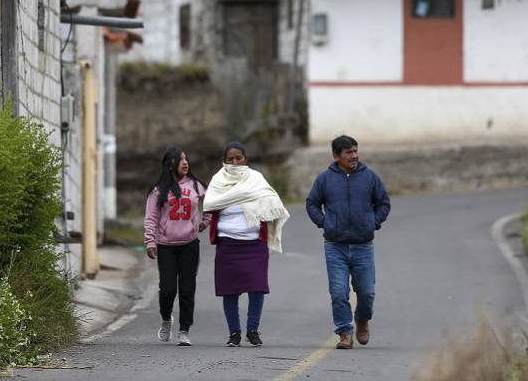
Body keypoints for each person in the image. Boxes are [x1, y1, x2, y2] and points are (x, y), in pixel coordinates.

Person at [305, 135, 390, 349]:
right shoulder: (325, 179)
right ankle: (344, 332)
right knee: (338, 291)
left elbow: (384, 203)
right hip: (335, 246)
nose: (354, 156)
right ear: (336, 156)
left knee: (366, 292)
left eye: (355, 151)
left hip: (363, 245)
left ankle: (362, 320)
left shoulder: (370, 177)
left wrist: (373, 223)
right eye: (348, 152)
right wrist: (325, 223)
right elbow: (312, 203)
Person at [203, 142, 289, 347]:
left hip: (254, 244)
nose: (235, 162)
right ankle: (234, 333)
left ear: (245, 159)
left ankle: (252, 330)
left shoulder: (256, 179)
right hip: (227, 244)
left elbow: (272, 200)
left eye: (239, 158)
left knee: (257, 287)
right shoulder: (217, 181)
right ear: (224, 162)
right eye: (230, 159)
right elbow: (209, 204)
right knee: (229, 290)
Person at [144, 146, 210, 347]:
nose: (185, 162)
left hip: (190, 245)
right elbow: (151, 217)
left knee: (187, 289)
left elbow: (213, 206)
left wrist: (204, 222)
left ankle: (184, 330)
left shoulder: (197, 186)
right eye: (180, 159)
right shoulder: (158, 191)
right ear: (169, 163)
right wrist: (150, 241)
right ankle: (166, 318)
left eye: (186, 159)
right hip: (166, 247)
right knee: (167, 289)